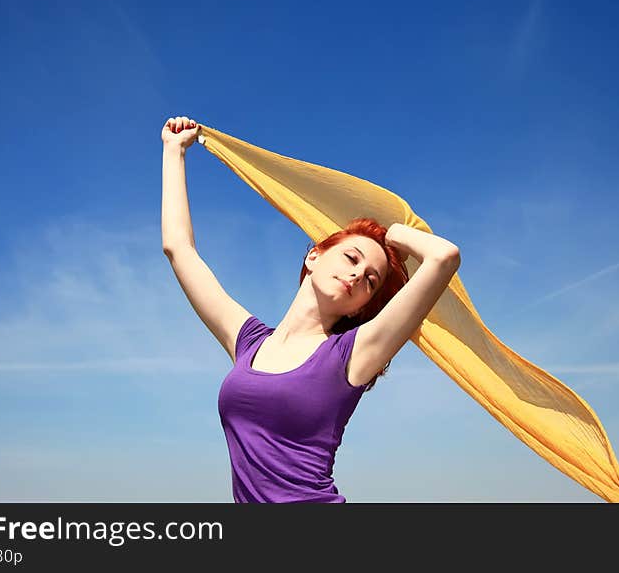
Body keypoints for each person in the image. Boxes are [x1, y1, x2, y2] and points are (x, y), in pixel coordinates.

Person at [160, 115, 461, 502]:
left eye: (371, 280)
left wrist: (393, 234)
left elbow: (443, 257)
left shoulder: (353, 354)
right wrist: (173, 151)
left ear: (363, 306)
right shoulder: (248, 342)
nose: (357, 275)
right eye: (351, 257)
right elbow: (179, 250)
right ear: (315, 256)